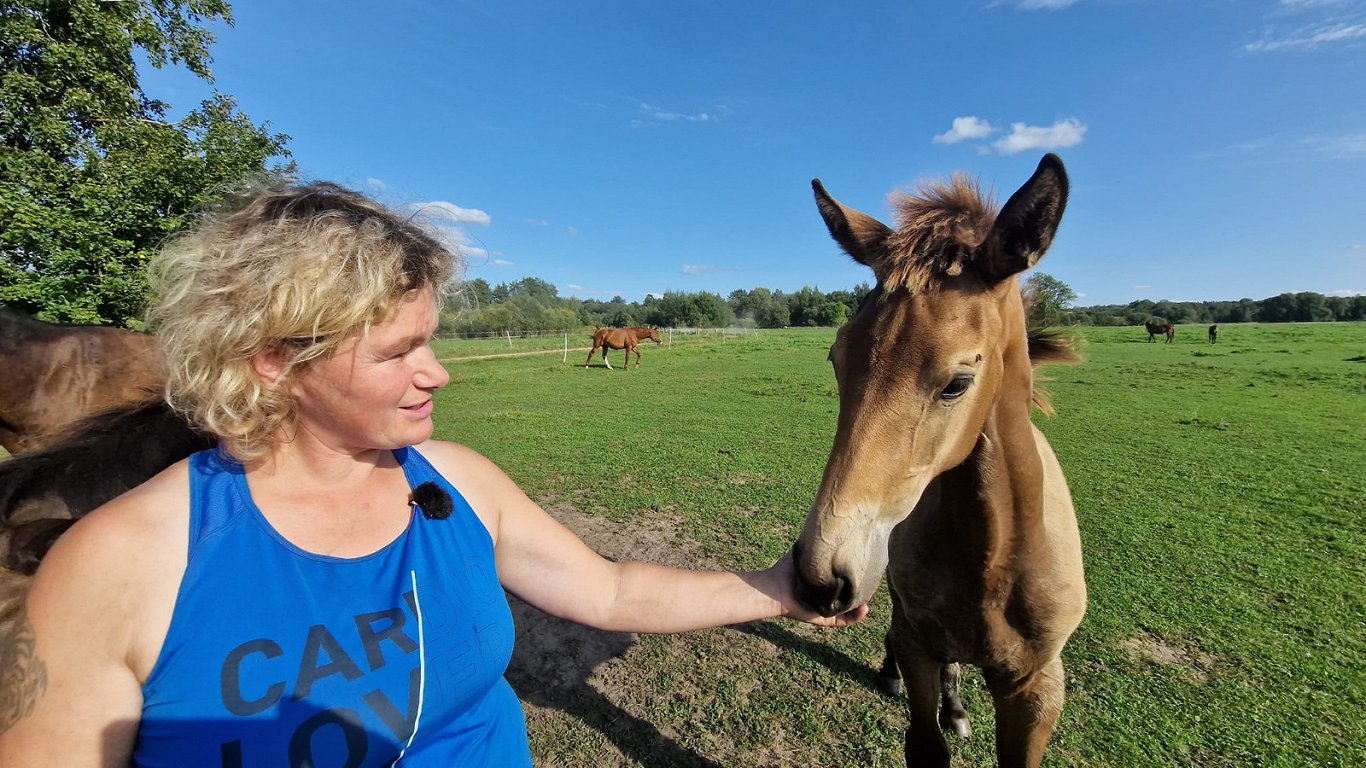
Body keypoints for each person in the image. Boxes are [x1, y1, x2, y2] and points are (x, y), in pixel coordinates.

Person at [0, 182, 866, 767]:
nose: (439, 372)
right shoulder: (116, 564)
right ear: (270, 360)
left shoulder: (456, 482)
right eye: (399, 350)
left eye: (433, 339)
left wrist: (776, 589)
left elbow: (606, 594)